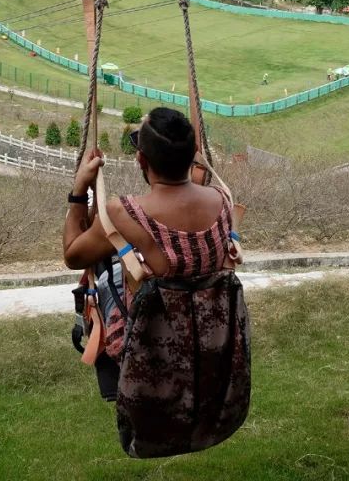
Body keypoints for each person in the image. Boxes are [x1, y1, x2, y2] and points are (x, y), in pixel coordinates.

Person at [63, 108, 235, 394]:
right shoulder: (222, 200)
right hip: (209, 337)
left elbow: (72, 255)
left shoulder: (124, 213)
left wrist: (80, 191)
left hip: (149, 345)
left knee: (110, 272)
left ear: (141, 159)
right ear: (193, 154)